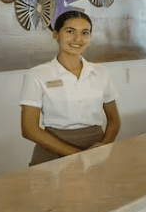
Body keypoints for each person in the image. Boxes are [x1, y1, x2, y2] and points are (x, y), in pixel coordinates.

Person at [19, 11, 120, 166]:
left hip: (96, 148)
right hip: (53, 150)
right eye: (70, 31)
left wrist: (102, 148)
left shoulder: (101, 73)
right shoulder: (37, 75)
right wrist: (80, 156)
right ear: (56, 34)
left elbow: (114, 119)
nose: (78, 39)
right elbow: (29, 129)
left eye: (85, 33)